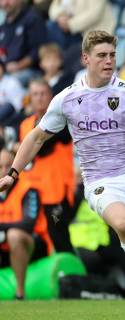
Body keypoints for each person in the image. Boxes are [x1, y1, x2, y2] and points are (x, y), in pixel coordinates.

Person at [0, 31, 125, 318]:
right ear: (86, 58)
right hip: (100, 182)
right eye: (102, 56)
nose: (108, 61)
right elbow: (35, 138)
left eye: (112, 55)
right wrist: (13, 173)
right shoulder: (68, 99)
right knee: (123, 224)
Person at [19, 79, 74, 253]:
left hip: (57, 193)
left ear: (51, 96)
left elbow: (42, 148)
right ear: (30, 98)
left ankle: (71, 276)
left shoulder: (61, 121)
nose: (40, 98)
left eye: (43, 93)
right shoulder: (25, 125)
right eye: (35, 94)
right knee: (38, 239)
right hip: (33, 192)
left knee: (58, 235)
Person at [0, 148, 53, 300]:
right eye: (0, 166)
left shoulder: (28, 189)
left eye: (8, 166)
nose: (4, 170)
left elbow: (28, 224)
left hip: (34, 243)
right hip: (5, 244)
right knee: (10, 234)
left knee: (14, 235)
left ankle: (20, 293)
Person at [0, 0, 48, 86]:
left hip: (29, 71)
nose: (5, 3)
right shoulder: (4, 25)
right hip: (6, 72)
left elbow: (39, 50)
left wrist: (19, 65)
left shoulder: (33, 18)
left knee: (11, 83)